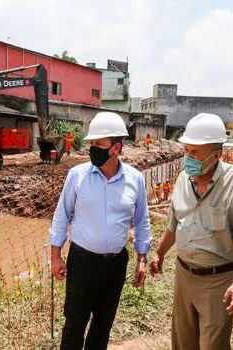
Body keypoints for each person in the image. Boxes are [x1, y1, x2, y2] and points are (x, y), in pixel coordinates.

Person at [150, 113, 233, 350]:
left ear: (217, 154)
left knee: (213, 345)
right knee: (182, 342)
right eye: (187, 150)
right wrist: (159, 254)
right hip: (184, 276)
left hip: (218, 281)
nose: (188, 158)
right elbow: (173, 225)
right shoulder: (183, 179)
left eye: (195, 153)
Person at [50, 111, 151, 350]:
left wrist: (142, 258)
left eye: (98, 144)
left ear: (116, 148)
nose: (92, 149)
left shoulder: (135, 180)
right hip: (82, 262)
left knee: (103, 324)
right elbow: (61, 214)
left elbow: (142, 220)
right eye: (91, 144)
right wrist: (55, 256)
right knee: (74, 323)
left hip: (115, 265)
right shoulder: (77, 176)